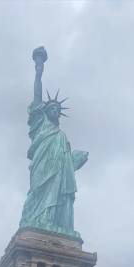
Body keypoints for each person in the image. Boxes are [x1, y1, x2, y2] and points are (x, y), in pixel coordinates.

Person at [19, 46, 88, 239]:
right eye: (51, 107)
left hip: (58, 172)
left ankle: (52, 222)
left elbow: (67, 164)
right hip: (42, 167)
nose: (55, 110)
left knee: (57, 195)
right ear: (45, 111)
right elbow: (37, 96)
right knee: (38, 192)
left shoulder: (61, 136)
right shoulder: (39, 124)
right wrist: (38, 70)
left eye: (58, 109)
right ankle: (37, 221)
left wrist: (75, 162)